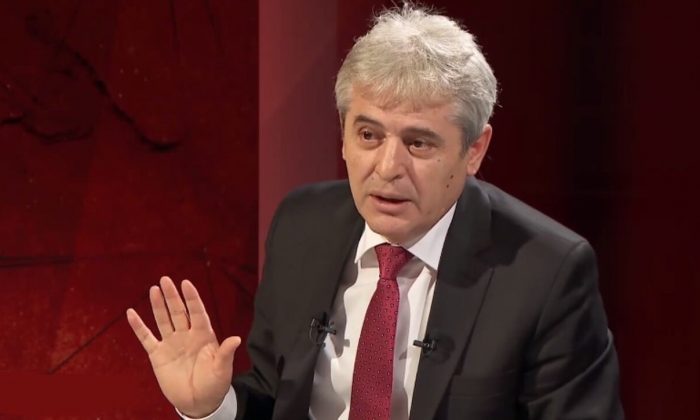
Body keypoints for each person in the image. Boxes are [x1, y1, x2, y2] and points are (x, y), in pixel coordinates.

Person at [126, 4, 623, 419]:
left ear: (474, 149)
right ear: (343, 135)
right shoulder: (302, 226)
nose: (387, 168)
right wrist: (212, 406)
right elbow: (275, 396)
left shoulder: (546, 272)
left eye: (419, 143)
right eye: (368, 135)